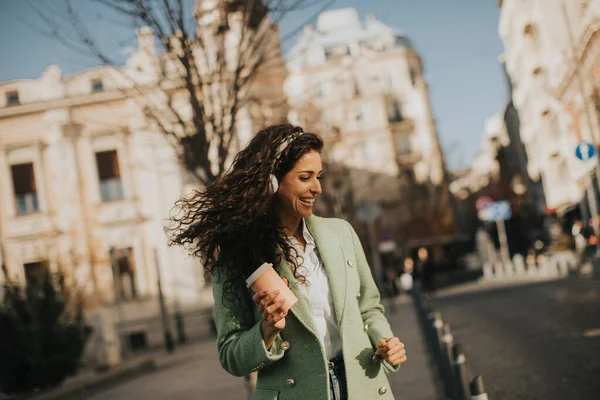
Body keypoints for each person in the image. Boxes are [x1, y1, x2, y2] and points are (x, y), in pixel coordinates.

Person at [169, 124, 406, 399]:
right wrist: (267, 331)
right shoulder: (239, 254)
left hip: (362, 383)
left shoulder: (341, 234)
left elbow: (369, 307)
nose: (317, 187)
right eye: (305, 177)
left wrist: (384, 340)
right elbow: (230, 355)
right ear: (272, 181)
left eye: (318, 176)